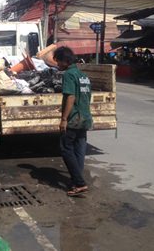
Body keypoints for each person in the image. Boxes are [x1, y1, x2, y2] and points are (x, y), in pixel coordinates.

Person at [54, 46, 93, 197]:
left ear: (65, 61)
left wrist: (64, 119)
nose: (57, 64)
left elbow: (70, 97)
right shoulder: (83, 75)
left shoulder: (69, 75)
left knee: (65, 148)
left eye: (58, 61)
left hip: (74, 119)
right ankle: (77, 180)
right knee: (79, 150)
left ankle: (79, 183)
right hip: (85, 117)